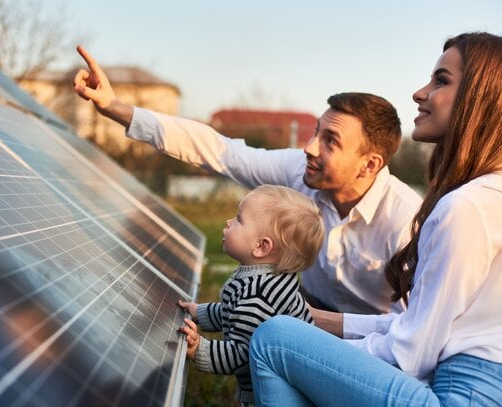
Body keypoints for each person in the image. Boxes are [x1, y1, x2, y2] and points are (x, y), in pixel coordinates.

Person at [73, 46, 422, 324]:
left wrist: (307, 321)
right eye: (317, 130)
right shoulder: (300, 171)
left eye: (331, 140)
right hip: (308, 313)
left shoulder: (406, 220)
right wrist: (115, 108)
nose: (310, 147)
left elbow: (414, 328)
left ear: (370, 164)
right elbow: (221, 152)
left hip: (376, 342)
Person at [248, 32, 502, 406]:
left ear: (480, 100)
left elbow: (411, 354)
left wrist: (316, 358)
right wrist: (312, 321)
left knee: (273, 340)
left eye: (441, 80)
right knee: (291, 332)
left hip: (458, 396)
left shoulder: (465, 207)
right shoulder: (488, 197)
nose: (420, 92)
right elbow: (419, 323)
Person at [177, 184, 323, 405]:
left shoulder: (258, 297)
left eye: (238, 219)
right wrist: (200, 312)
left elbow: (242, 354)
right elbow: (232, 311)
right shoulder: (266, 278)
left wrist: (200, 349)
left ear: (261, 247)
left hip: (272, 392)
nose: (228, 222)